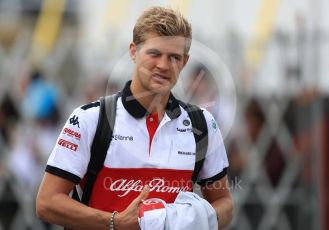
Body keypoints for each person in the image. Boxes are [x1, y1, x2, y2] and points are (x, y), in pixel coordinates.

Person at [36, 6, 233, 230]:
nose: (163, 65)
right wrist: (115, 222)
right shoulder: (90, 119)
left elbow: (223, 202)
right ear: (133, 51)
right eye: (154, 54)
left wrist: (201, 220)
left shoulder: (202, 124)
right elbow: (46, 203)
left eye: (174, 57)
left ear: (185, 62)